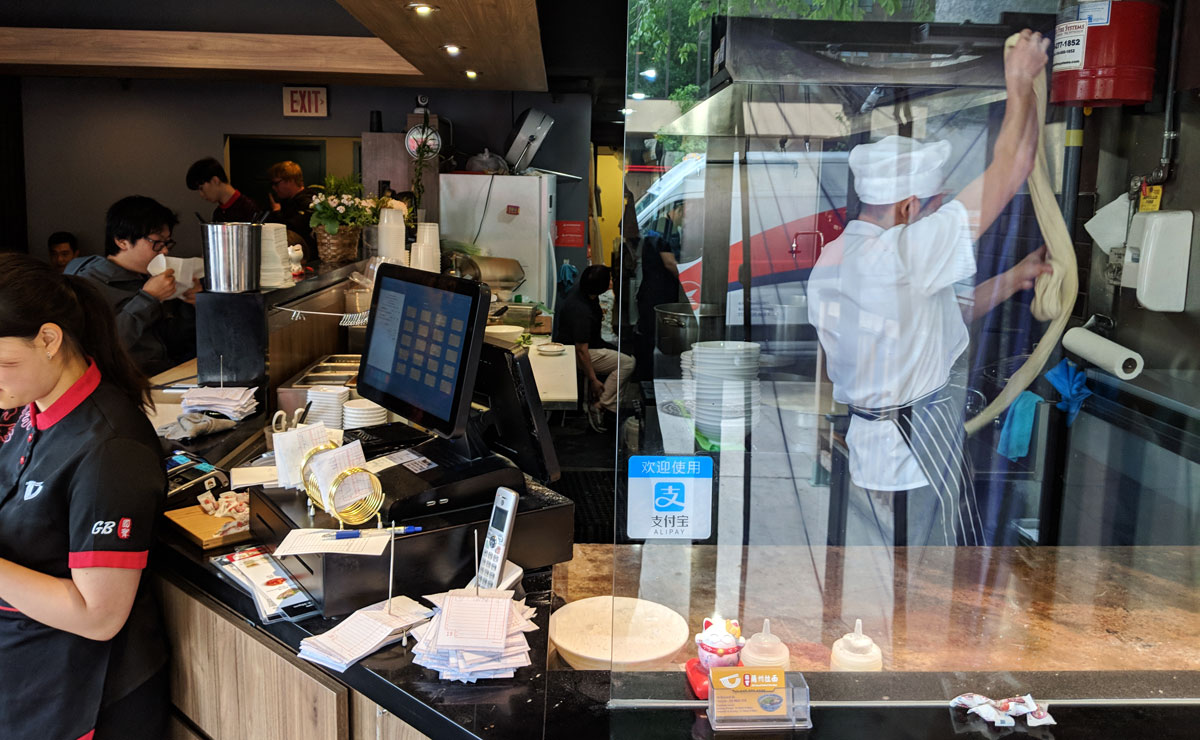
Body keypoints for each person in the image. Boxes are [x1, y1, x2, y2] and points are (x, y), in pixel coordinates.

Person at [806, 30, 1053, 547]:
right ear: (907, 207)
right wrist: (1019, 82)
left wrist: (1015, 278)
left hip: (874, 451)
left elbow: (937, 317)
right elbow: (1014, 167)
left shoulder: (835, 259)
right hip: (913, 455)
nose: (941, 211)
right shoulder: (904, 254)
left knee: (894, 575)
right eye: (936, 204)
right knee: (936, 580)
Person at [0, 253, 168, 740]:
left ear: (49, 340)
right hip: (26, 674)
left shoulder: (110, 449)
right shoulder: (34, 407)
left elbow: (99, 616)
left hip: (78, 695)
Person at [66, 195, 201, 376]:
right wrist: (148, 298)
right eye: (157, 242)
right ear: (122, 241)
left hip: (165, 372)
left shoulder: (146, 277)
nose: (164, 250)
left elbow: (168, 342)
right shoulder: (86, 284)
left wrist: (190, 305)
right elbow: (100, 348)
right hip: (125, 380)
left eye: (167, 242)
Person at [553, 264, 635, 432]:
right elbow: (581, 350)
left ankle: (608, 405)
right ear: (601, 287)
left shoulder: (585, 292)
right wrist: (593, 380)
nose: (611, 282)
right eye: (609, 280)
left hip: (588, 345)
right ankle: (601, 405)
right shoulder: (581, 311)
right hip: (574, 353)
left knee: (628, 353)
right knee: (627, 363)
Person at [635, 199, 684, 379]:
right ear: (679, 209)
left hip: (653, 292)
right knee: (652, 337)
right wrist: (689, 282)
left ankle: (646, 377)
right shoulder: (664, 228)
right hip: (656, 295)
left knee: (650, 335)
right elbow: (670, 263)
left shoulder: (660, 226)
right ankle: (648, 378)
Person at [265, 160, 322, 261]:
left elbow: (294, 230)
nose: (274, 188)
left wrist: (277, 213)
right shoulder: (288, 201)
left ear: (290, 180)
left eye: (276, 183)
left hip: (306, 258)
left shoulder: (307, 202)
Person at [186, 156, 260, 223]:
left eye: (201, 188)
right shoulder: (218, 213)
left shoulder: (248, 208)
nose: (201, 195)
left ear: (215, 180)